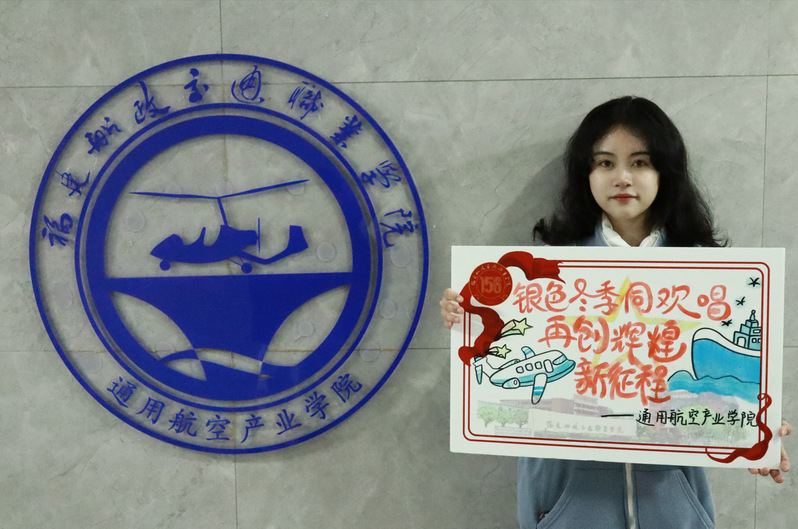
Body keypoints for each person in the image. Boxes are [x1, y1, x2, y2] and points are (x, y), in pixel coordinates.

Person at [439, 96, 791, 528]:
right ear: (585, 174)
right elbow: (496, 363)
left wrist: (757, 431)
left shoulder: (711, 277)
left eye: (640, 162)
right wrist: (468, 318)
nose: (622, 177)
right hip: (566, 505)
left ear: (665, 171)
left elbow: (727, 381)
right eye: (605, 163)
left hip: (671, 506)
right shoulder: (542, 276)